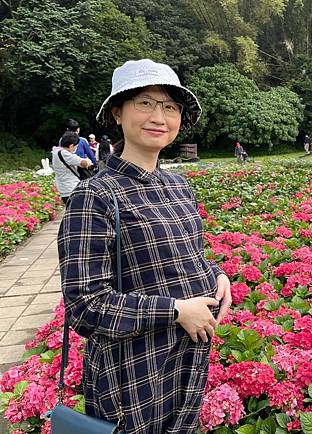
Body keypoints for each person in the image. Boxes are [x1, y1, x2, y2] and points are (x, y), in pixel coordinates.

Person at [58, 59, 232, 434]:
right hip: (133, 375)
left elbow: (189, 254)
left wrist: (217, 275)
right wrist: (174, 311)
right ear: (118, 113)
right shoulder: (95, 196)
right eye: (146, 103)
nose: (159, 116)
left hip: (188, 361)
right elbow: (85, 306)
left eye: (170, 107)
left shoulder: (179, 186)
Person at [52, 131, 93, 204]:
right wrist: (88, 161)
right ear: (71, 146)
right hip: (71, 189)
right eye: (76, 146)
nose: (76, 148)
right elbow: (84, 163)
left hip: (64, 189)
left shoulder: (56, 150)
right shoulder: (65, 154)